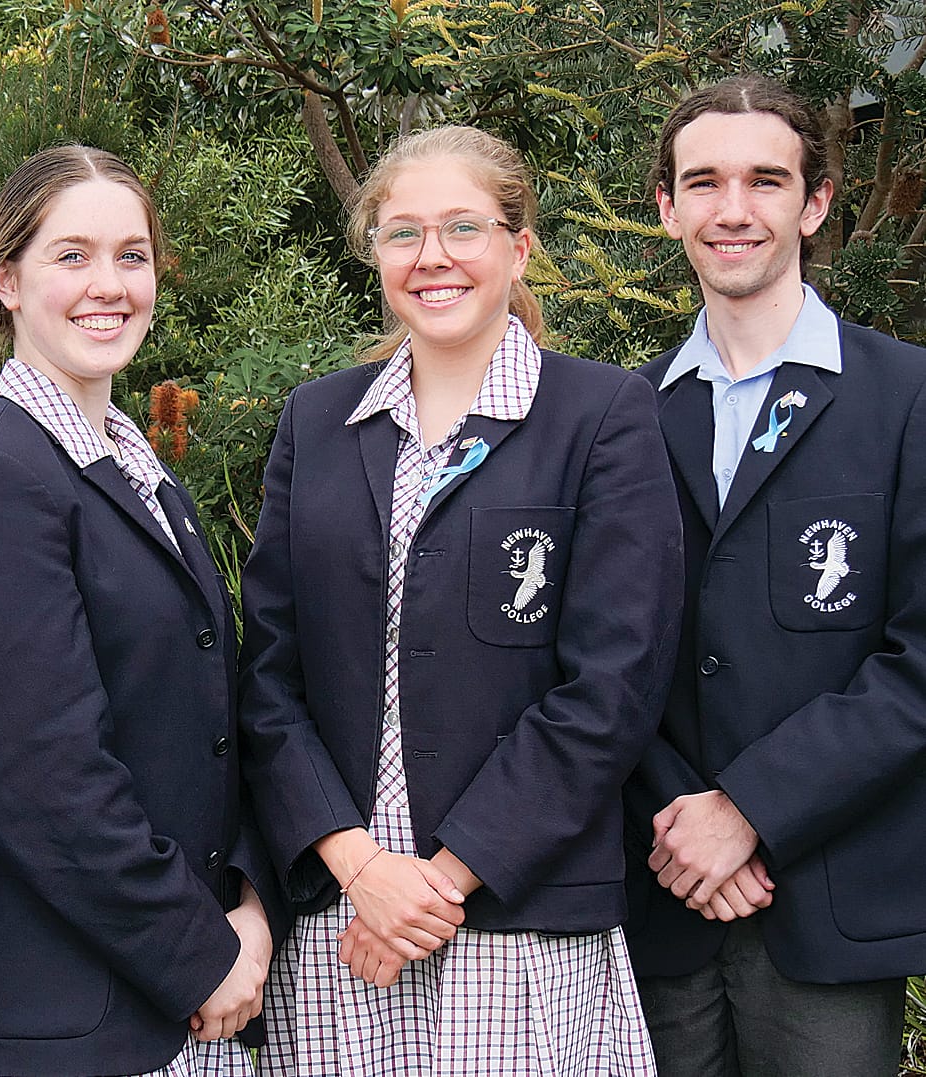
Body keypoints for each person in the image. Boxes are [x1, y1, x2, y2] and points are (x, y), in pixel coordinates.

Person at [236, 125, 683, 1075]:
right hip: (343, 915)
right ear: (375, 254)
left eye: (461, 228)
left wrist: (435, 884)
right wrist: (362, 870)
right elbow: (267, 675)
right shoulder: (316, 421)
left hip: (514, 912)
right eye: (402, 233)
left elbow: (612, 686)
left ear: (518, 247)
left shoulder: (599, 416)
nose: (431, 257)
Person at [0, 145, 281, 1077]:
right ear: (6, 280)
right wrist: (200, 955)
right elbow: (47, 778)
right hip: (59, 1025)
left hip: (171, 1009)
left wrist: (252, 905)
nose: (107, 284)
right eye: (70, 255)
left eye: (131, 255)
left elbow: (206, 733)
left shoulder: (144, 480)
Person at [626, 74, 926, 1077]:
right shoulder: (617, 422)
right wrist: (682, 821)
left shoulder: (907, 402)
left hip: (827, 904)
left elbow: (917, 660)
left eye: (765, 179)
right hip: (657, 896)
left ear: (815, 201)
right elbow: (594, 655)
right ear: (667, 207)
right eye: (703, 182)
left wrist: (749, 810)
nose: (734, 209)